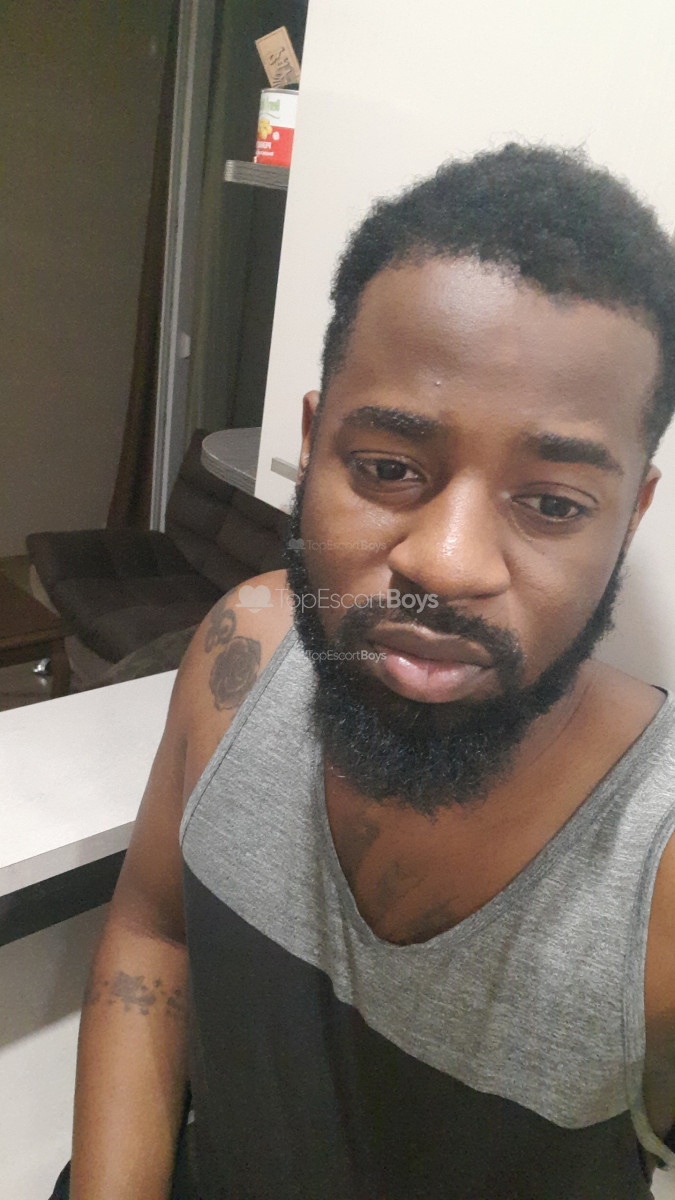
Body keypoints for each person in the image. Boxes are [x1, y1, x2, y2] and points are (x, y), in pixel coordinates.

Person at [67, 144, 675, 1199]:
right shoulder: (241, 652)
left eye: (551, 503)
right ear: (312, 448)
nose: (448, 563)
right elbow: (152, 933)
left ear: (629, 518)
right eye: (389, 469)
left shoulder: (657, 869)